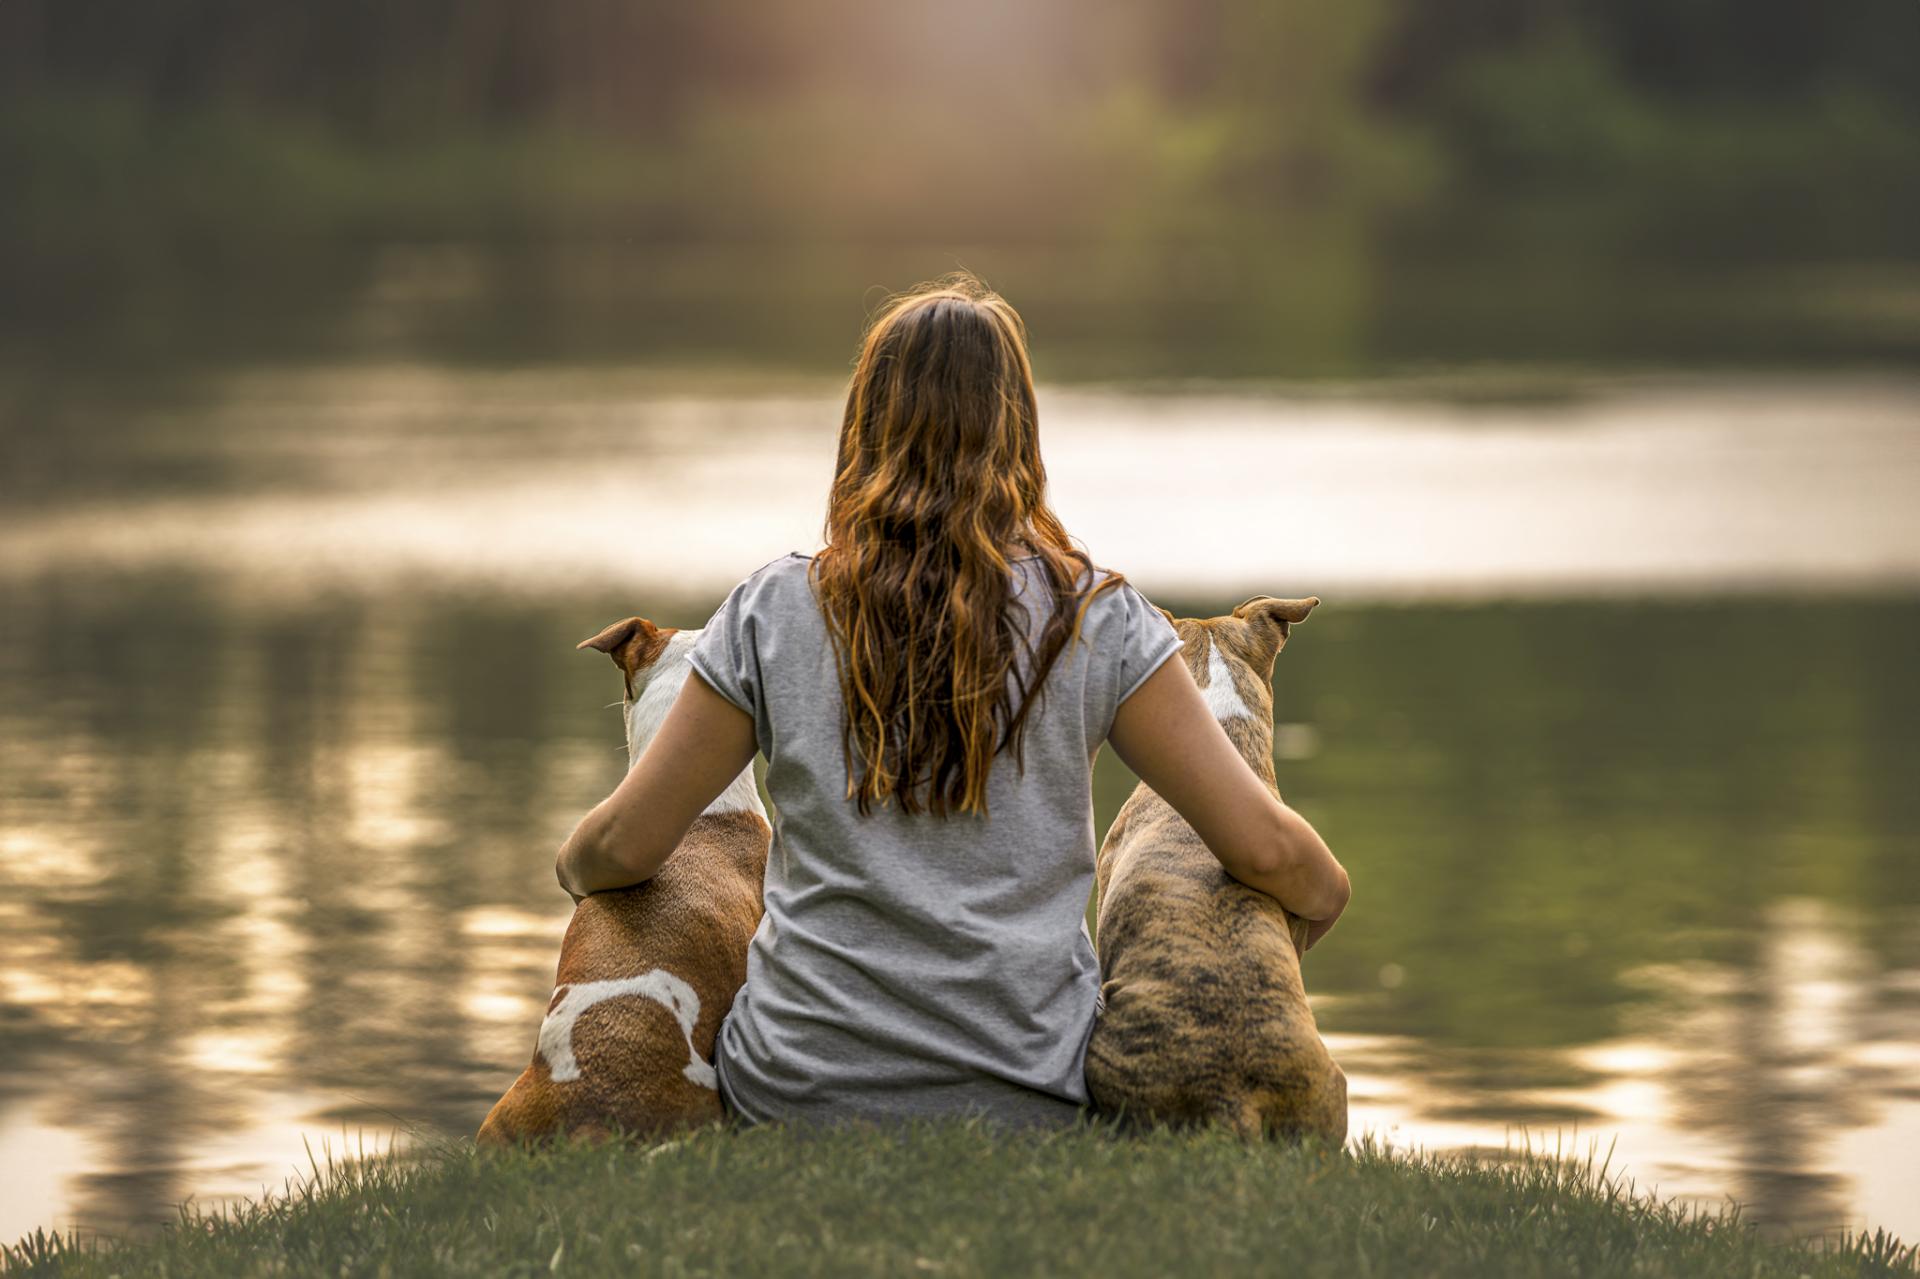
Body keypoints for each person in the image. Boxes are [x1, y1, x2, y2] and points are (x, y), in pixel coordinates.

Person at [554, 272, 1349, 1128]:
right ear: (1019, 430)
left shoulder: (772, 611)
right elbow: (1267, 852)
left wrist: (574, 865)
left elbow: (627, 846)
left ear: (865, 426)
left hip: (794, 1093)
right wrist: (1328, 892)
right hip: (1029, 1097)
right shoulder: (1096, 617)